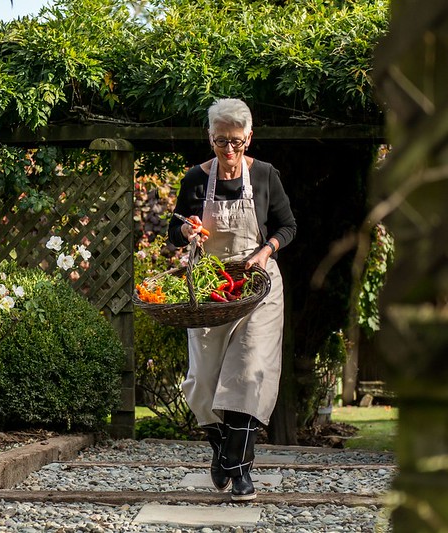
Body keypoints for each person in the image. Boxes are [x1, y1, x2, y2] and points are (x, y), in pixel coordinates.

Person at [167, 98, 296, 501]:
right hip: (210, 286)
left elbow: (287, 225)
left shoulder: (266, 176)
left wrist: (266, 250)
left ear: (249, 137)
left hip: (256, 285)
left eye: (236, 142)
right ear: (210, 137)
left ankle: (240, 470)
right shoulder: (194, 178)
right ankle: (223, 449)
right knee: (202, 381)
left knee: (248, 372)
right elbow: (176, 229)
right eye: (221, 141)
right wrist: (188, 232)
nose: (228, 150)